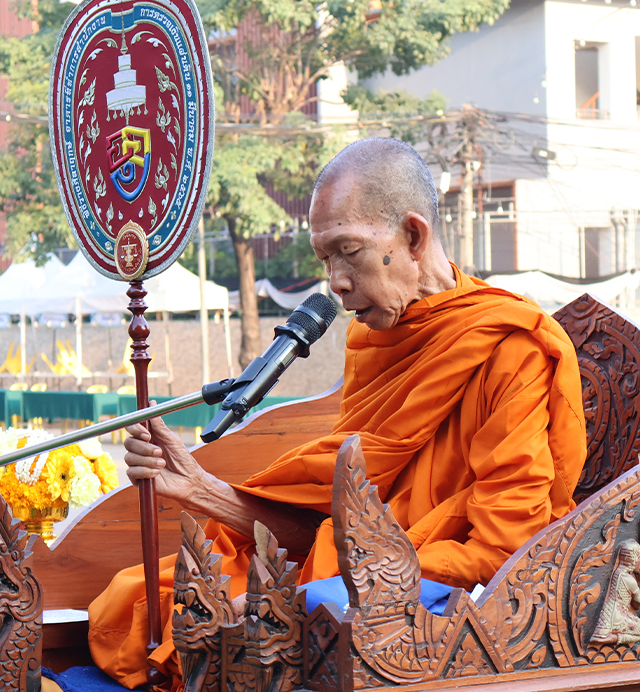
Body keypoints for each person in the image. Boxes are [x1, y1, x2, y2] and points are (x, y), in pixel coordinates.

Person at [89, 138, 588, 688]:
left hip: (436, 609)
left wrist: (334, 585)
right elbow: (337, 524)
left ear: (414, 237)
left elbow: (503, 551)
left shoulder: (509, 349)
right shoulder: (372, 340)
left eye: (349, 251)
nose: (336, 282)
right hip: (354, 580)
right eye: (325, 259)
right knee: (137, 600)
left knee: (234, 625)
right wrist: (201, 490)